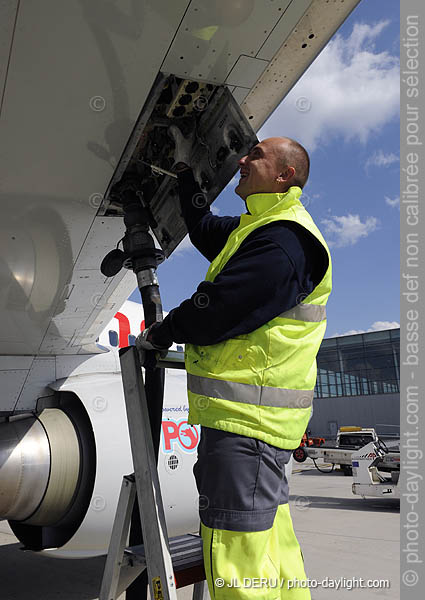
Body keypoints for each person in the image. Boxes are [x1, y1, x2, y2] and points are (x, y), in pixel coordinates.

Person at [139, 135, 332, 599]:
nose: (242, 160)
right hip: (255, 428)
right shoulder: (257, 229)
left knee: (236, 563)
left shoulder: (287, 240)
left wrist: (160, 333)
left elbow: (218, 308)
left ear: (285, 175)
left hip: (247, 428)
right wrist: (184, 174)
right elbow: (204, 228)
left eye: (256, 156)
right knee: (273, 553)